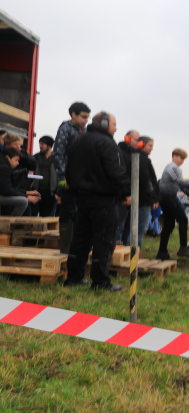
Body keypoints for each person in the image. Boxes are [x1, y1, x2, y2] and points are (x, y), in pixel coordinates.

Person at [63, 111, 131, 291]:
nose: (116, 128)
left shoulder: (78, 142)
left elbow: (68, 171)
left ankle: (73, 278)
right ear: (103, 124)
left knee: (80, 240)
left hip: (82, 199)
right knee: (104, 240)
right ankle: (100, 282)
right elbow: (116, 172)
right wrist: (127, 193)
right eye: (114, 124)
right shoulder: (107, 144)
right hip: (103, 200)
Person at [53, 101, 90, 253]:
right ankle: (65, 244)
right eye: (83, 117)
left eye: (88, 117)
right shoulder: (65, 129)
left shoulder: (85, 131)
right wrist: (61, 176)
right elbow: (58, 153)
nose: (85, 120)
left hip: (81, 179)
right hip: (65, 178)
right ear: (73, 114)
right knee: (67, 209)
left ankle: (76, 243)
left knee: (79, 211)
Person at [157, 148, 189, 260]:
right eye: (181, 158)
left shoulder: (175, 169)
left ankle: (162, 253)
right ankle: (183, 248)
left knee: (169, 224)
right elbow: (181, 183)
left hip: (165, 197)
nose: (182, 161)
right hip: (167, 197)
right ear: (174, 156)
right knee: (183, 219)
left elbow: (180, 186)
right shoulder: (172, 167)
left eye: (183, 159)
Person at [119, 135, 159, 251]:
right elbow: (146, 181)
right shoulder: (141, 159)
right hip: (143, 200)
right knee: (139, 230)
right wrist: (153, 198)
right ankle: (134, 256)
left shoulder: (138, 158)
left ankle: (130, 254)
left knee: (135, 229)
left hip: (141, 198)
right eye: (150, 145)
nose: (151, 148)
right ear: (141, 144)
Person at [2, 133, 38, 215]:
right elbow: (7, 189)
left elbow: (34, 165)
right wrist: (27, 195)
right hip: (11, 194)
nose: (19, 147)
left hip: (22, 191)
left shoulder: (22, 155)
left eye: (19, 144)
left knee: (26, 219)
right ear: (7, 145)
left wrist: (22, 155)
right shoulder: (4, 163)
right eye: (15, 144)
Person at [115, 130, 140, 244]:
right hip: (123, 195)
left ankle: (125, 248)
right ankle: (114, 249)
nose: (138, 142)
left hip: (131, 194)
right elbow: (121, 175)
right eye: (136, 139)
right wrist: (126, 193)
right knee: (119, 224)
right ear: (127, 138)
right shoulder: (119, 152)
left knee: (129, 226)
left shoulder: (134, 153)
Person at [33, 135, 58, 217]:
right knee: (32, 217)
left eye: (42, 144)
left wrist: (59, 192)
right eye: (39, 143)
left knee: (46, 218)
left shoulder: (57, 159)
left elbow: (63, 176)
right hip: (36, 192)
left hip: (50, 194)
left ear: (49, 145)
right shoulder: (36, 157)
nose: (40, 146)